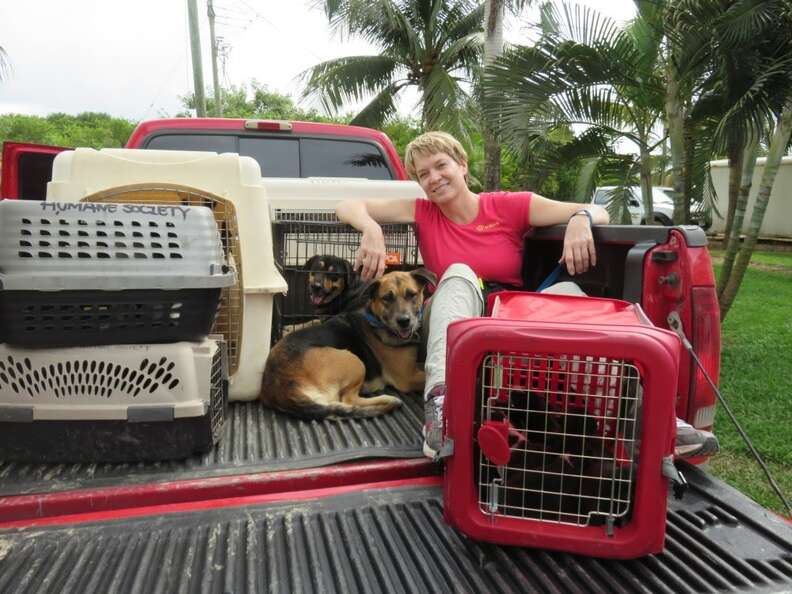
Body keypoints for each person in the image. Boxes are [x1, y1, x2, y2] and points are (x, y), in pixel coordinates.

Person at [336, 130, 719, 461]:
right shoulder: (423, 211)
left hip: (511, 315)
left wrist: (580, 221)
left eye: (440, 166)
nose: (433, 178)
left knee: (569, 291)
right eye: (423, 174)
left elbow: (595, 209)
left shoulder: (508, 205)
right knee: (457, 272)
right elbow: (347, 204)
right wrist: (371, 228)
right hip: (455, 316)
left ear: (462, 165)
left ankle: (648, 420)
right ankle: (441, 407)